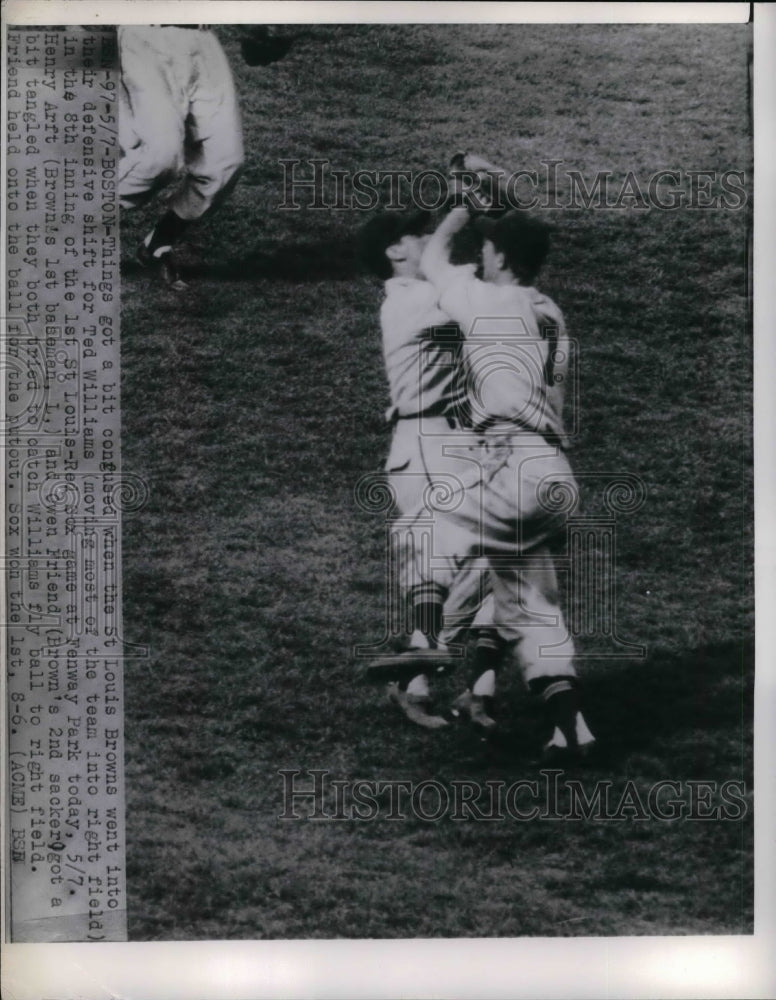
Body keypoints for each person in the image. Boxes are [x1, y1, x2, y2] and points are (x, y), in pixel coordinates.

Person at [415, 200, 596, 759]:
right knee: (530, 611)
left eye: (488, 247)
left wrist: (462, 204)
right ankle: (572, 731)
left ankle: (421, 646)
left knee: (431, 521)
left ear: (498, 256)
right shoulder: (552, 315)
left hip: (511, 465)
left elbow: (432, 259)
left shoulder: (484, 299)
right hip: (554, 477)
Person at [357, 210, 499, 729]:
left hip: (462, 442)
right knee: (462, 555)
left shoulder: (433, 295)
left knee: (492, 557)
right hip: (425, 446)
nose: (431, 248)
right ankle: (424, 668)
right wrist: (464, 211)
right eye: (419, 239)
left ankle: (441, 674)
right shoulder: (409, 300)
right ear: (395, 253)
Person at [118, 25, 245, 290]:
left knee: (224, 162)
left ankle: (157, 245)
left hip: (202, 40)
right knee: (160, 157)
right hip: (145, 38)